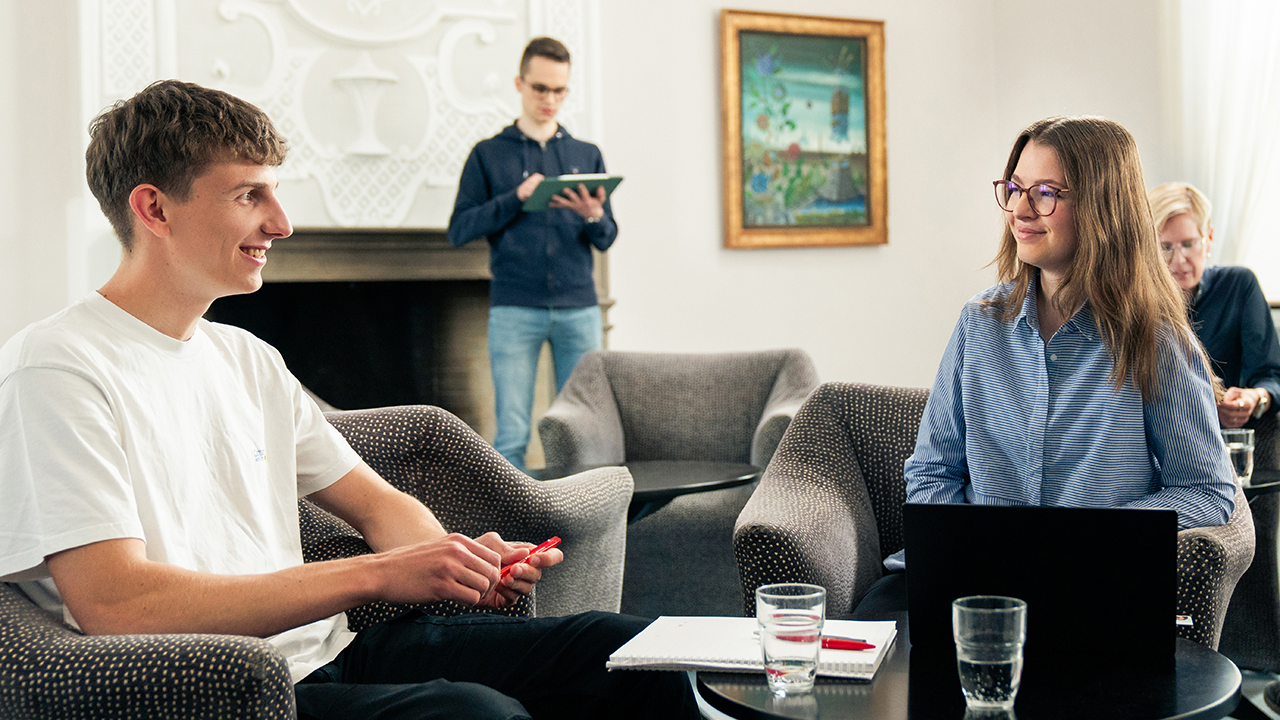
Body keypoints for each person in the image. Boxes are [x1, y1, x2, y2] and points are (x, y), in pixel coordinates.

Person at [0, 79, 695, 720]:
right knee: (479, 715)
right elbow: (118, 604)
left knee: (633, 652)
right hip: (222, 689)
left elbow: (377, 505)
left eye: (275, 192)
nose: (282, 223)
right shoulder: (58, 367)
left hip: (323, 655)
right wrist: (377, 575)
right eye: (249, 196)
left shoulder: (248, 359)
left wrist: (460, 566)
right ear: (154, 208)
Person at [901, 117, 1235, 547]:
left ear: (1103, 207)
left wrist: (1080, 539)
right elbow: (933, 473)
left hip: (1088, 588)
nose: (1019, 210)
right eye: (1015, 189)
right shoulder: (979, 323)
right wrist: (962, 554)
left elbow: (1207, 492)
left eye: (1045, 193)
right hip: (971, 583)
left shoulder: (1156, 341)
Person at [446, 37, 616, 473]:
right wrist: (515, 197)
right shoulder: (488, 154)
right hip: (514, 307)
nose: (550, 99)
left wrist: (594, 215)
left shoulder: (586, 155)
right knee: (512, 433)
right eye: (541, 88)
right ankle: (513, 538)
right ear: (520, 84)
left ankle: (579, 521)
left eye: (559, 90)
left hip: (579, 308)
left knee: (583, 429)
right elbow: (459, 229)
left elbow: (606, 237)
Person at [1148, 181, 1280, 429]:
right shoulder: (1137, 303)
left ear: (1208, 239)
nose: (1179, 260)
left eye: (1188, 244)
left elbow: (1271, 378)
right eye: (1165, 248)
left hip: (1227, 437)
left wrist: (1255, 398)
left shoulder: (1238, 285)